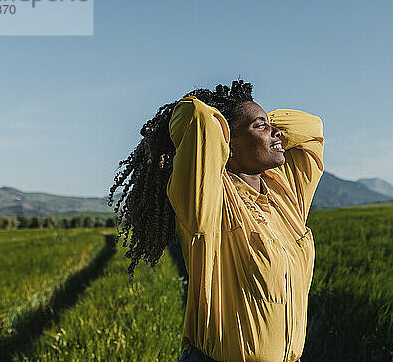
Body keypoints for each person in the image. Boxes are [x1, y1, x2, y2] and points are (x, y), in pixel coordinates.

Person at [109, 80, 324, 362]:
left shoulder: (285, 196)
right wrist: (231, 124)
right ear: (227, 146)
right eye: (261, 126)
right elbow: (196, 117)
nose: (276, 133)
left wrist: (262, 121)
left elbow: (312, 129)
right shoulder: (210, 203)